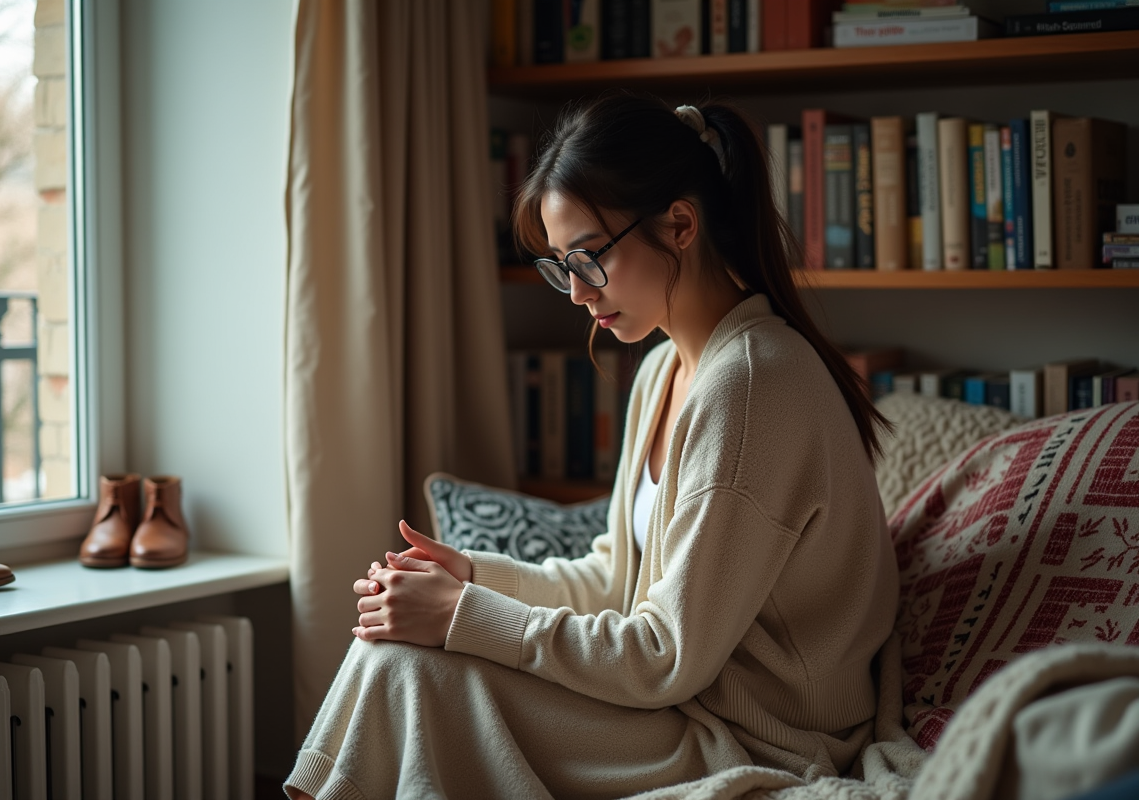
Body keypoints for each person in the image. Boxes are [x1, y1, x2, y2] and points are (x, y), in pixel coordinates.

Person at [284, 93, 899, 800]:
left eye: (589, 257)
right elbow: (614, 579)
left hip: (752, 737)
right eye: (560, 265)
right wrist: (475, 580)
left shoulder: (753, 387)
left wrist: (462, 617)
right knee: (396, 650)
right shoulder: (665, 370)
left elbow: (665, 655)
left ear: (680, 225)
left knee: (412, 668)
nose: (576, 292)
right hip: (675, 707)